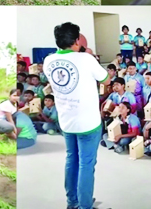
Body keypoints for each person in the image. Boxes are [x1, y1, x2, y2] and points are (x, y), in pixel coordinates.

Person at [42, 22, 110, 209]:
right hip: (88, 122)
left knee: (72, 159)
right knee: (86, 165)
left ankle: (72, 202)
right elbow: (106, 78)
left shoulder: (48, 61)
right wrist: (89, 56)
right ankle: (85, 205)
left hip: (66, 121)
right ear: (77, 40)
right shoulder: (86, 60)